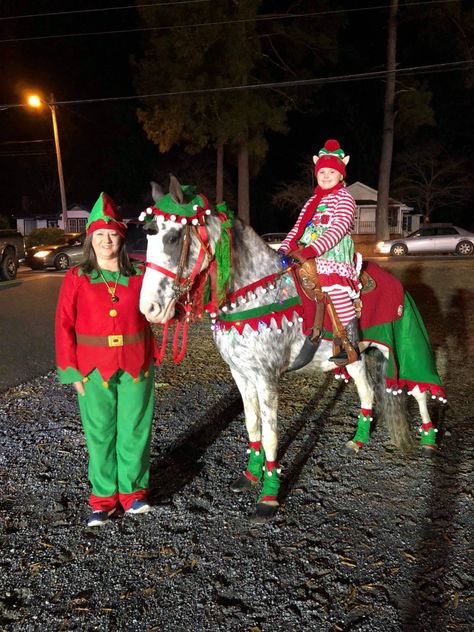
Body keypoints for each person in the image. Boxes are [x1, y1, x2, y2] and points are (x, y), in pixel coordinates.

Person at [55, 193, 159, 527]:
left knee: (134, 430)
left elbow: (159, 308)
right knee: (100, 432)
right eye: (99, 234)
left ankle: (133, 494)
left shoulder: (140, 274)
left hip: (136, 364)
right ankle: (103, 499)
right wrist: (70, 370)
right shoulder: (77, 277)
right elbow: (63, 324)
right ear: (90, 239)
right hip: (91, 368)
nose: (106, 240)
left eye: (112, 234)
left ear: (121, 238)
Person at [279, 139, 361, 364]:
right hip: (305, 251)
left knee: (335, 289)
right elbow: (298, 228)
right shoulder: (311, 201)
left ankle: (349, 342)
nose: (326, 175)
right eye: (321, 171)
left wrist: (314, 249)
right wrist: (285, 248)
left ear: (341, 175)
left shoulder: (344, 198)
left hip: (331, 251)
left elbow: (339, 227)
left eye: (331, 171)